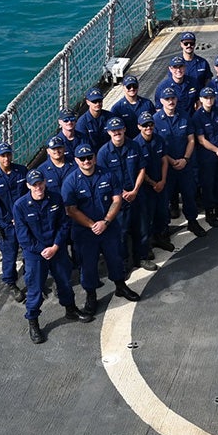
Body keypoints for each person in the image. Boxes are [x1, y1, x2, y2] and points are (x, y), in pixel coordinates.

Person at [62, 143, 141, 316]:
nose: (86, 161)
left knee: (115, 259)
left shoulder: (107, 174)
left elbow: (117, 199)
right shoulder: (70, 182)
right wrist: (92, 225)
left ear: (95, 157)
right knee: (88, 266)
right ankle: (91, 297)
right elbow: (71, 210)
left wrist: (105, 221)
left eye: (89, 157)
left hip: (109, 227)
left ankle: (120, 286)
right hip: (85, 233)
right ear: (76, 160)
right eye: (82, 158)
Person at [13, 169, 91, 343]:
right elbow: (23, 236)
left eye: (40, 183)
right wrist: (42, 250)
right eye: (34, 184)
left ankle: (70, 309)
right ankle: (33, 322)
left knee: (64, 282)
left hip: (57, 250)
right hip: (36, 255)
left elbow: (63, 225)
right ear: (28, 186)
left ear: (45, 182)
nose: (38, 187)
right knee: (35, 289)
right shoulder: (20, 206)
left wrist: (55, 246)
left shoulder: (55, 198)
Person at [96, 116, 148, 265]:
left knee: (142, 228)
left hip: (137, 195)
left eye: (119, 129)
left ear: (124, 129)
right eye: (113, 130)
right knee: (122, 232)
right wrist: (123, 193)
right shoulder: (103, 153)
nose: (117, 132)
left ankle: (142, 258)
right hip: (118, 201)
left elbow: (142, 168)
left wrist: (135, 190)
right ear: (108, 132)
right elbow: (104, 179)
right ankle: (124, 262)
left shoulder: (134, 146)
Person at [153, 86, 205, 237]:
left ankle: (192, 222)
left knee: (189, 194)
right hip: (166, 167)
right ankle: (164, 228)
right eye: (167, 99)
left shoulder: (184, 116)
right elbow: (157, 146)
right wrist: (171, 161)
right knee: (165, 199)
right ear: (161, 101)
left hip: (185, 165)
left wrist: (185, 159)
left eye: (172, 98)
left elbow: (191, 139)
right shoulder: (155, 121)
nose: (170, 101)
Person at [0, 142, 28, 303]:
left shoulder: (22, 172)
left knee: (29, 251)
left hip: (25, 221)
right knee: (9, 255)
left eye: (8, 154)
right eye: (2, 155)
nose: (6, 158)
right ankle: (11, 283)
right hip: (7, 226)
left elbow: (29, 193)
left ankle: (32, 279)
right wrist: (10, 219)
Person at [134, 110, 173, 256]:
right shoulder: (136, 145)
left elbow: (164, 161)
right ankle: (146, 246)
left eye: (150, 124)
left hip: (160, 184)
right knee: (146, 218)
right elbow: (140, 170)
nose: (148, 128)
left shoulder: (159, 140)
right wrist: (153, 184)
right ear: (139, 127)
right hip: (146, 188)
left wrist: (162, 180)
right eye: (144, 125)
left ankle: (159, 237)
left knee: (161, 213)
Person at [192, 86, 218, 223]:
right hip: (207, 156)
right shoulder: (197, 117)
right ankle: (210, 213)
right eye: (206, 98)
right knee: (208, 184)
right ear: (201, 99)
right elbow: (201, 140)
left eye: (211, 97)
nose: (209, 100)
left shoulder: (217, 111)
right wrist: (217, 150)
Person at [75, 87, 115, 151]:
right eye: (94, 101)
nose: (97, 104)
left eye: (99, 101)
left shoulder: (110, 117)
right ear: (88, 102)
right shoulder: (82, 123)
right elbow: (83, 144)